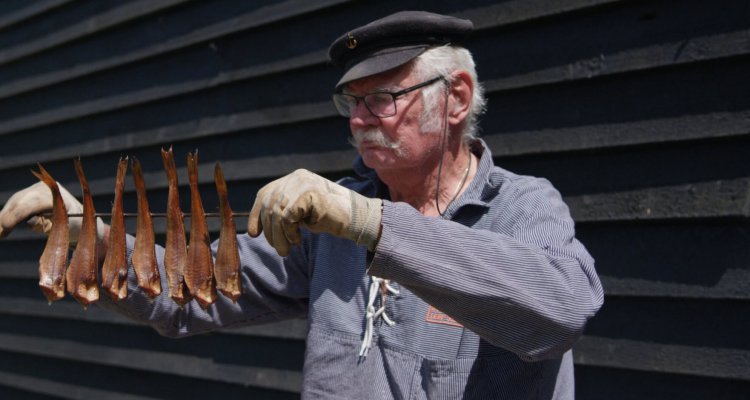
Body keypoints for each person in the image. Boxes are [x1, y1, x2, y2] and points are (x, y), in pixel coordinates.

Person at [0, 11, 603, 399]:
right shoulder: (329, 226)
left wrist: (370, 223)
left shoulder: (523, 207)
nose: (361, 119)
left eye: (384, 98)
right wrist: (85, 234)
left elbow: (561, 311)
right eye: (352, 103)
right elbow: (188, 295)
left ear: (456, 98)